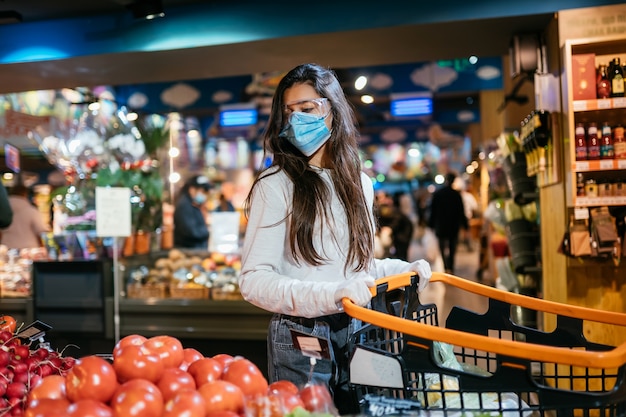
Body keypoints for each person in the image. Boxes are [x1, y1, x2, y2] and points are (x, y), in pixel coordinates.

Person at [238, 63, 432, 415]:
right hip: (301, 335)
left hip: (358, 325)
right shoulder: (275, 185)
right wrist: (331, 296)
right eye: (289, 112)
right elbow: (253, 280)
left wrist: (397, 269)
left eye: (307, 109)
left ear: (333, 109)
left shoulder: (360, 182)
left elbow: (351, 266)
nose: (297, 121)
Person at [428, 171, 468, 274]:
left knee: (442, 246)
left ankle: (446, 266)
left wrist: (431, 224)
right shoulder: (456, 195)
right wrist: (465, 225)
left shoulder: (438, 194)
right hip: (453, 225)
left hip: (441, 224)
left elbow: (433, 211)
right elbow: (461, 211)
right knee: (452, 246)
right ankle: (451, 266)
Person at [1, 183, 49, 249]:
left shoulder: (3, 210)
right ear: (25, 194)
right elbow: (41, 233)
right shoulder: (31, 211)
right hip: (29, 250)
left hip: (6, 248)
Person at [173, 174, 211, 249]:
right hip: (188, 250)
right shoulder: (184, 205)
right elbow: (192, 232)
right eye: (202, 191)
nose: (204, 195)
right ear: (192, 189)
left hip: (194, 249)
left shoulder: (192, 204)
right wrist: (208, 232)